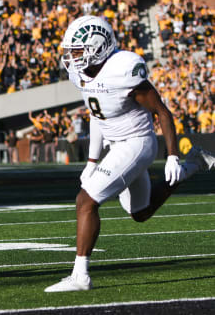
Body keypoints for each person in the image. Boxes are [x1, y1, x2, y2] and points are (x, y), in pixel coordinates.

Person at [45, 15, 215, 292]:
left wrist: (171, 154)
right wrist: (91, 160)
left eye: (78, 51)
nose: (72, 57)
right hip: (116, 144)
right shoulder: (81, 74)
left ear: (98, 47)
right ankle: (194, 165)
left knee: (85, 200)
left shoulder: (122, 70)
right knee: (141, 212)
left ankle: (80, 275)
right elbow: (97, 116)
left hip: (137, 143)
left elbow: (162, 111)